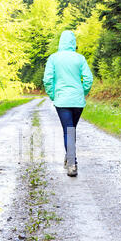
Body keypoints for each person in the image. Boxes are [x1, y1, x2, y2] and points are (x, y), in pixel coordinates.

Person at [43, 30, 93, 177]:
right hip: (77, 100)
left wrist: (53, 95)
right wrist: (82, 92)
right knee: (71, 130)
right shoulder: (80, 58)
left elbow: (47, 79)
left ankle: (72, 163)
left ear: (61, 42)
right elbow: (88, 79)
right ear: (73, 42)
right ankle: (69, 158)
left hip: (62, 100)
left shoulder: (53, 58)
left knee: (68, 130)